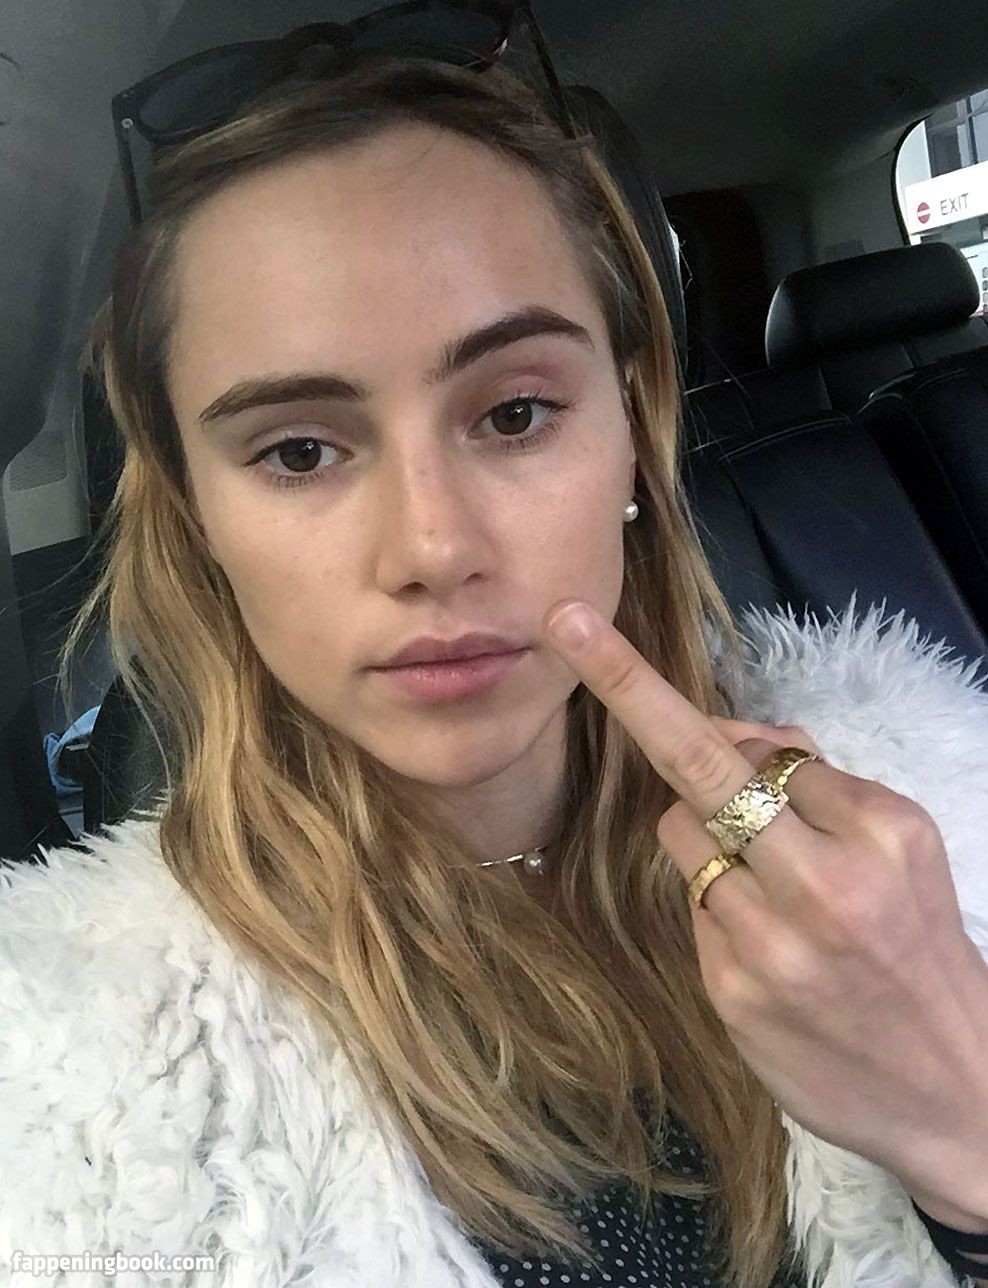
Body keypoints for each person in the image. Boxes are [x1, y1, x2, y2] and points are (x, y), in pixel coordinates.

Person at [1, 29, 988, 1288]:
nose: (432, 546)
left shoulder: (933, 819)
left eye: (515, 413)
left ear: (634, 428)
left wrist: (965, 1125)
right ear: (197, 512)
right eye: (298, 452)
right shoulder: (61, 1082)